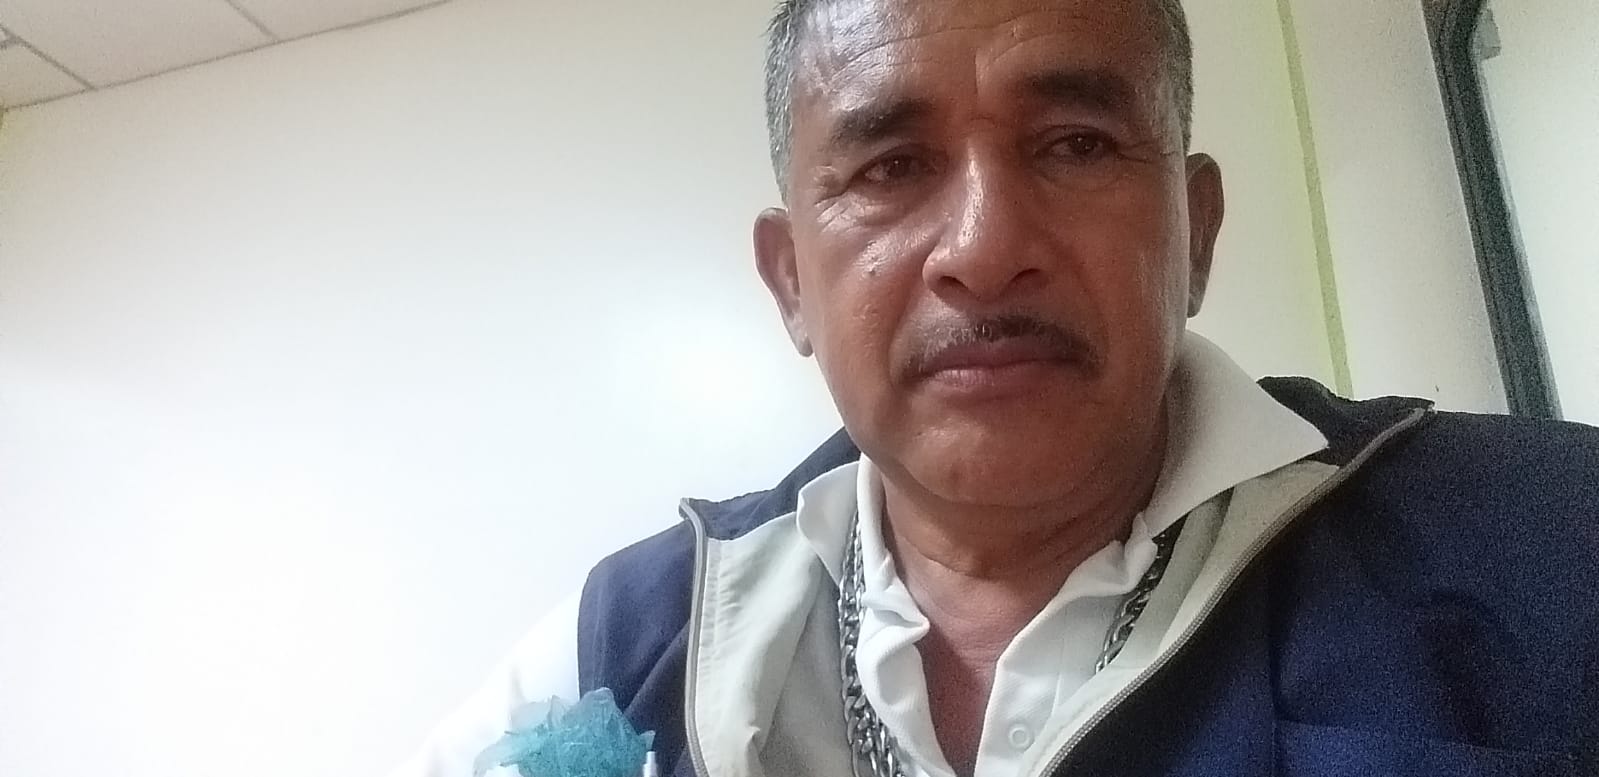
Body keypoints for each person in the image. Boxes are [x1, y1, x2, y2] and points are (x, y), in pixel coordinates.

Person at [392, 0, 1599, 775]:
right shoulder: (628, 643)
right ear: (791, 281)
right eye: (891, 165)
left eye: (1076, 145)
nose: (984, 245)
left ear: (1196, 229)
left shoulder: (1554, 539)